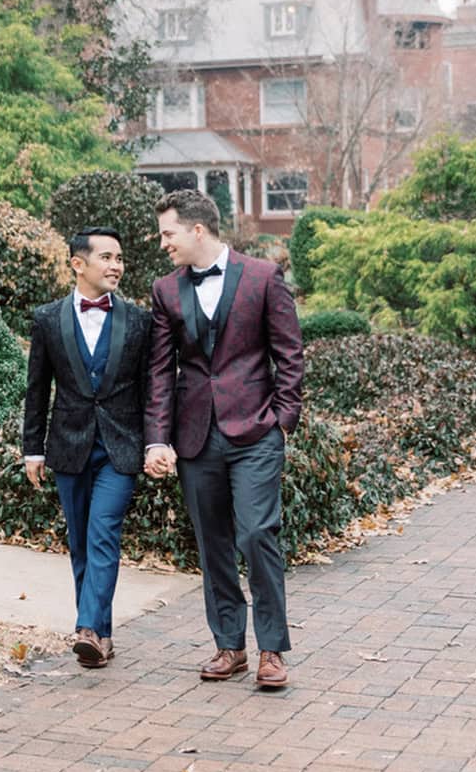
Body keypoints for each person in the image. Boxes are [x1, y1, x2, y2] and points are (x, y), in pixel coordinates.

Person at [143, 189, 305, 690]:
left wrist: (282, 420)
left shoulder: (262, 277)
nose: (162, 243)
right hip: (195, 438)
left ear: (197, 230)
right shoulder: (166, 291)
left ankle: (272, 650)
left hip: (256, 432)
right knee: (212, 544)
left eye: (168, 233)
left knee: (257, 534)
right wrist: (157, 440)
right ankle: (229, 646)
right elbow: (159, 371)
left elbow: (290, 354)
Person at [22, 227, 152, 668]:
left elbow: (153, 390)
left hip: (121, 448)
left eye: (120, 258)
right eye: (107, 257)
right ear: (79, 264)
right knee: (80, 542)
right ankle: (101, 636)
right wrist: (32, 450)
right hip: (68, 447)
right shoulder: (47, 319)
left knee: (103, 534)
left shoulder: (138, 320)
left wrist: (156, 443)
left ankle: (87, 628)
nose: (116, 265)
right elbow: (36, 389)